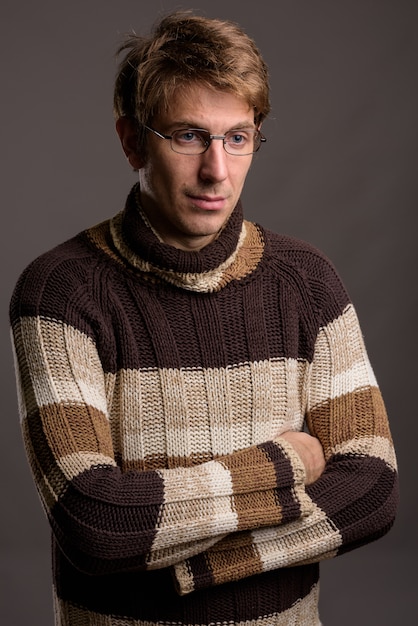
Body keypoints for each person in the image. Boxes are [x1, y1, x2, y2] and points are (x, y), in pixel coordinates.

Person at [9, 10, 399, 626]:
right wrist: (289, 462)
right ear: (132, 140)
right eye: (189, 136)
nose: (218, 170)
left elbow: (372, 489)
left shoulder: (307, 281)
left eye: (237, 137)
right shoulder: (62, 292)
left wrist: (204, 564)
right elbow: (95, 520)